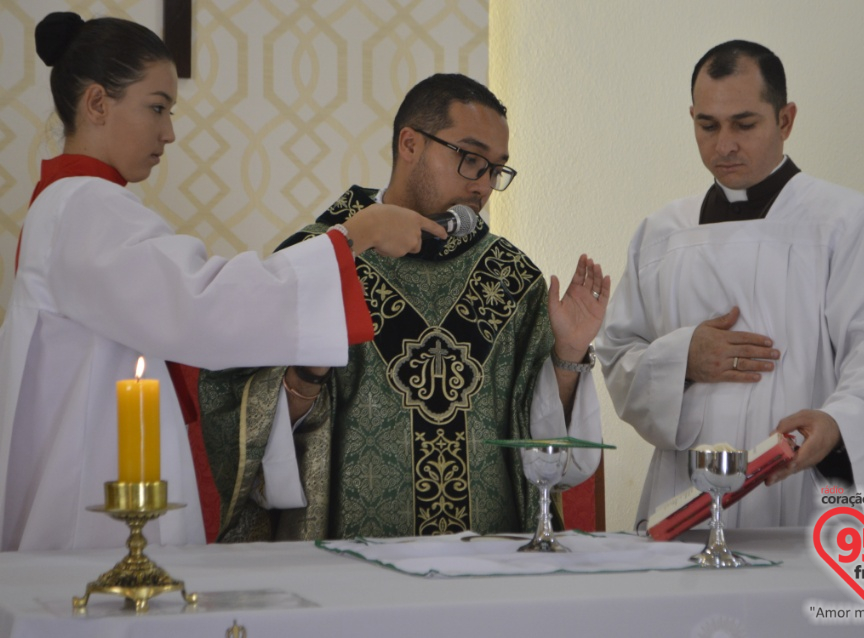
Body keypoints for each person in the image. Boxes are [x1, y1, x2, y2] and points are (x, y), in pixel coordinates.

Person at [0, 12, 445, 552]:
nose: (168, 131)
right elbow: (201, 304)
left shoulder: (74, 204)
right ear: (97, 103)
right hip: (86, 502)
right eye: (156, 107)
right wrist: (354, 235)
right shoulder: (85, 207)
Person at [200, 73, 609, 542]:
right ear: (410, 144)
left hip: (484, 572)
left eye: (497, 169)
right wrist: (305, 377)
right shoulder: (324, 258)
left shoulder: (510, 279)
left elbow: (547, 455)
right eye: (471, 160)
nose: (484, 186)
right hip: (351, 569)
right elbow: (241, 421)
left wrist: (569, 355)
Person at [596, 40, 864, 531]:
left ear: (785, 120)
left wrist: (836, 424)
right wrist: (681, 359)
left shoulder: (844, 221)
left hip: (802, 490)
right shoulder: (661, 234)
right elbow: (618, 354)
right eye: (707, 126)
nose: (724, 145)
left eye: (744, 125)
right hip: (685, 494)